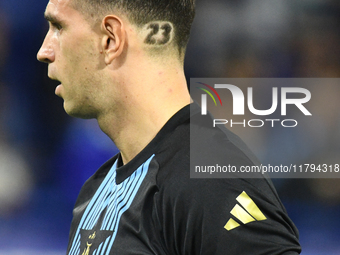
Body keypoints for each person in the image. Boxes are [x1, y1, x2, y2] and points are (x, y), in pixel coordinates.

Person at [37, 0, 301, 254]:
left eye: (58, 27)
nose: (44, 51)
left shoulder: (211, 184)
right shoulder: (95, 191)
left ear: (111, 39)